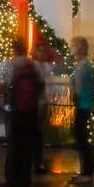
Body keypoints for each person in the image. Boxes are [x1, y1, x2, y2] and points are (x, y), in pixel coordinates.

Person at [0, 40, 43, 187]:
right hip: (31, 110)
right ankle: (25, 181)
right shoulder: (34, 65)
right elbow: (41, 84)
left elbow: (6, 84)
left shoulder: (11, 65)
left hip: (16, 111)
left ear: (14, 50)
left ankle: (11, 179)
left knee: (14, 146)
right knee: (28, 147)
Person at [70, 36, 94, 184]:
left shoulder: (83, 66)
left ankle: (87, 173)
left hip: (83, 105)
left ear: (80, 47)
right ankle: (86, 171)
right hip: (83, 104)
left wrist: (75, 95)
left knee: (82, 139)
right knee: (82, 139)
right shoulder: (82, 64)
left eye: (73, 45)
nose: (71, 47)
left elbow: (80, 88)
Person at [32, 44, 56, 174]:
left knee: (40, 133)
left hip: (43, 102)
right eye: (40, 51)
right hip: (35, 103)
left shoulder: (46, 66)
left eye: (44, 51)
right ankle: (36, 161)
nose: (42, 54)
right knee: (36, 132)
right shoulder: (34, 65)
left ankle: (38, 160)